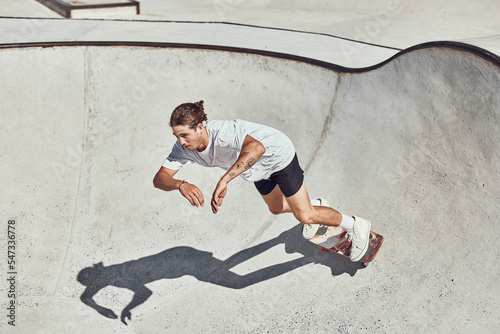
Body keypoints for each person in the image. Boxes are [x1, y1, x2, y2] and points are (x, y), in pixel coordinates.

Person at [153, 101, 372, 261]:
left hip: (277, 156)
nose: (181, 142)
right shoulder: (183, 149)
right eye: (176, 136)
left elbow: (257, 148)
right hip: (256, 170)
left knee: (304, 215)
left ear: (200, 128)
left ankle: (356, 225)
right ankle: (317, 207)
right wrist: (180, 184)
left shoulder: (223, 132)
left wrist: (224, 180)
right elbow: (160, 178)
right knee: (277, 208)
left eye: (184, 135)